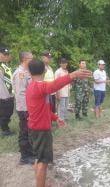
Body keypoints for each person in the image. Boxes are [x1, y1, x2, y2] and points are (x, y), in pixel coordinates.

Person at [26, 59, 92, 187]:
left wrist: (56, 118)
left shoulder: (34, 87)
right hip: (40, 131)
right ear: (45, 70)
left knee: (38, 158)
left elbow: (43, 109)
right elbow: (54, 85)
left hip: (36, 129)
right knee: (43, 162)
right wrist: (73, 75)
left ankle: (41, 182)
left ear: (29, 71)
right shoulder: (38, 86)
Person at [12, 52, 34, 164]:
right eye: (31, 58)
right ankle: (24, 157)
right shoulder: (20, 73)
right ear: (25, 59)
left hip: (28, 107)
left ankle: (30, 152)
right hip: (24, 108)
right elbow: (21, 94)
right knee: (24, 131)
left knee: (29, 131)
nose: (33, 60)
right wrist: (28, 108)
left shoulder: (27, 72)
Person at [0, 47, 14, 136]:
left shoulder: (5, 65)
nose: (7, 56)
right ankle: (4, 130)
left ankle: (5, 127)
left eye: (7, 55)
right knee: (6, 112)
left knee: (8, 111)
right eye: (4, 55)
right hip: (3, 94)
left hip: (9, 93)